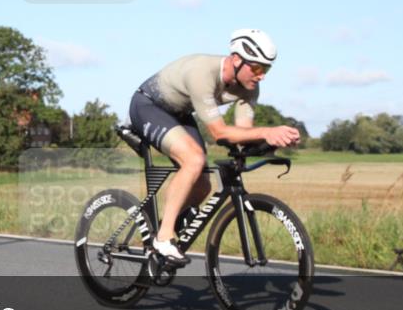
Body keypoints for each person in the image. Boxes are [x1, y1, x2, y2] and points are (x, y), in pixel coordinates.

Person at [128, 28, 300, 265]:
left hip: (180, 113)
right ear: (237, 60)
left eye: (266, 69)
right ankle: (163, 238)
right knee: (194, 160)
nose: (262, 76)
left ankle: (165, 230)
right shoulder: (202, 73)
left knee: (203, 185)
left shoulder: (249, 87)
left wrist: (271, 142)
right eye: (258, 68)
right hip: (148, 106)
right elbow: (219, 132)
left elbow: (242, 133)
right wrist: (267, 131)